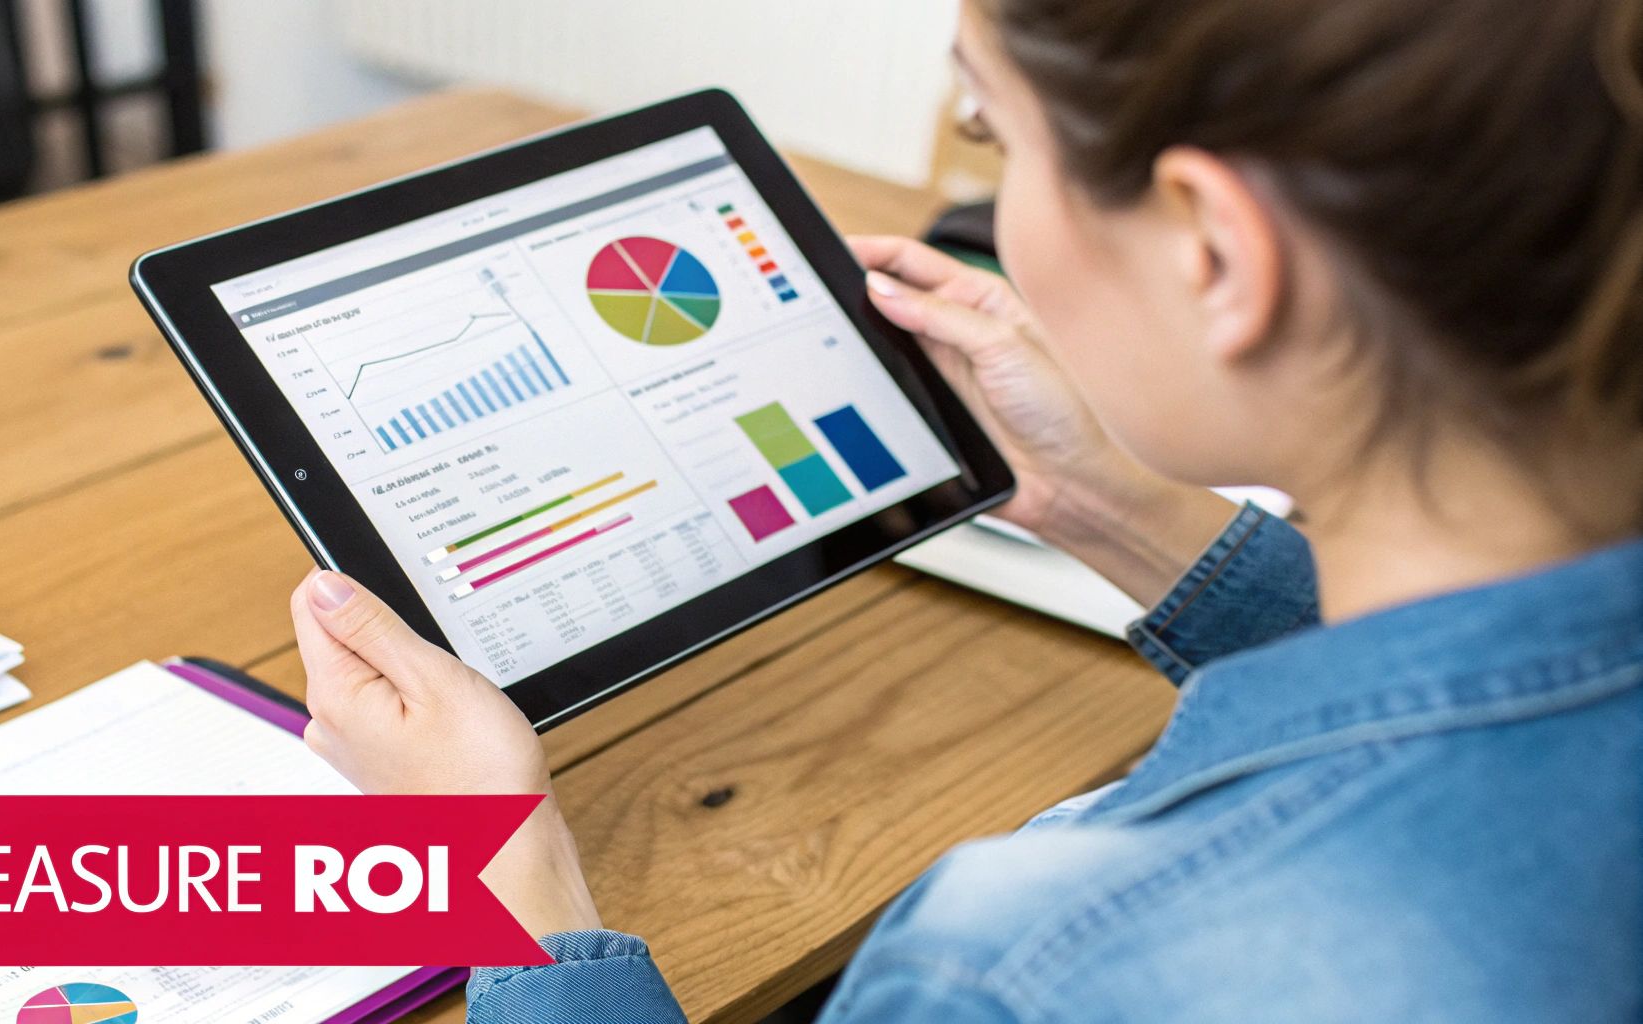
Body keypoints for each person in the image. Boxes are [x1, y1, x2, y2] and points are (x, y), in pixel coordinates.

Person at [287, 0, 1643, 1019]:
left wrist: (508, 872)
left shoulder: (1023, 969)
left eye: (994, 136)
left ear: (1215, 252)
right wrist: (1114, 506)